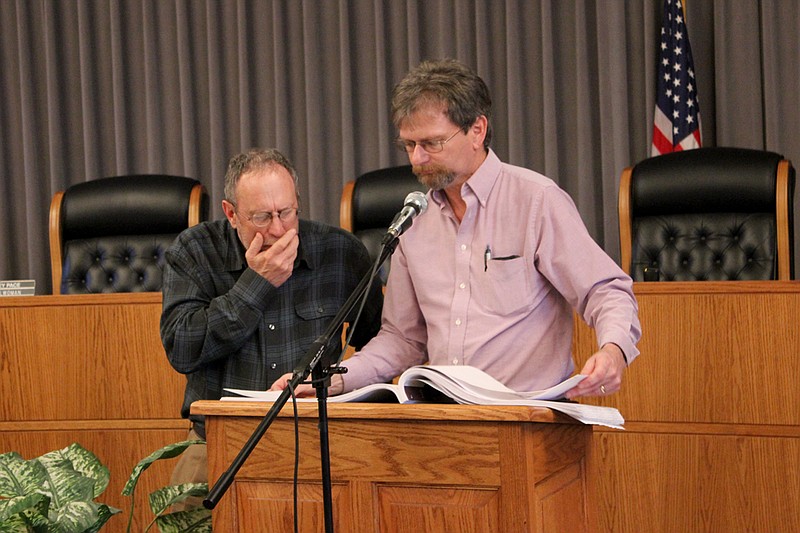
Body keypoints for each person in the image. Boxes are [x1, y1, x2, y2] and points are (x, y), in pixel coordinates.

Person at [272, 58, 640, 400]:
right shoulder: (413, 220)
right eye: (409, 145)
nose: (417, 158)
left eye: (432, 143)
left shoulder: (536, 201)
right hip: (445, 419)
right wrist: (330, 378)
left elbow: (606, 291)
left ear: (477, 130)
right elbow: (402, 339)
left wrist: (613, 351)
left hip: (527, 417)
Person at [160, 148, 383, 489]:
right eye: (262, 217)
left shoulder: (340, 253)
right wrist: (256, 284)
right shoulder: (195, 251)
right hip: (218, 441)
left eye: (287, 212)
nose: (278, 229)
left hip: (318, 441)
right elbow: (182, 349)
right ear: (231, 214)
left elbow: (381, 348)